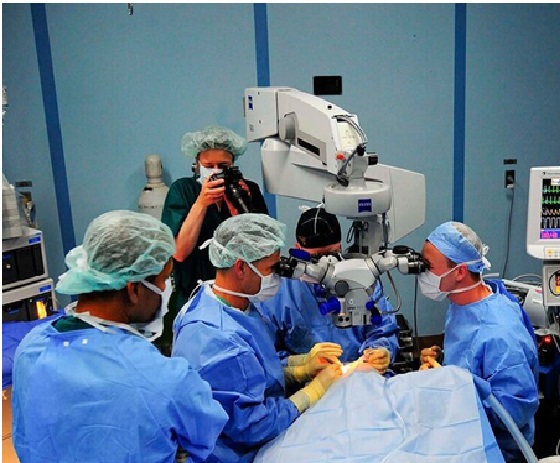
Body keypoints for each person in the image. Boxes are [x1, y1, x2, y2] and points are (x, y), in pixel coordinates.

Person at [11, 210, 228, 463]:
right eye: (162, 280)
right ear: (134, 290)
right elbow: (206, 435)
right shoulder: (162, 376)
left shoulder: (31, 347)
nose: (164, 290)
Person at [172, 213, 343, 463]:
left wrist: (300, 366)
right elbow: (251, 426)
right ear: (241, 267)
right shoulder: (214, 338)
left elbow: (249, 371)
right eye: (270, 269)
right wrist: (312, 392)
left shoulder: (235, 304)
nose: (277, 277)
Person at [417, 221, 539, 463]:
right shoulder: (465, 303)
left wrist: (451, 387)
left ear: (460, 272)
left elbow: (514, 412)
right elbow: (470, 357)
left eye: (428, 266)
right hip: (464, 431)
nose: (422, 273)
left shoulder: (499, 333)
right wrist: (441, 364)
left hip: (495, 449)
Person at [258, 207, 399, 374]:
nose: (327, 265)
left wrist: (381, 351)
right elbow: (267, 357)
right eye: (317, 257)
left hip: (362, 376)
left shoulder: (361, 279)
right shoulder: (278, 293)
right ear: (298, 250)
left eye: (334, 254)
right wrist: (302, 368)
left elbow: (383, 330)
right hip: (310, 384)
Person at [161, 124, 268, 316]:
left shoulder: (247, 190)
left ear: (233, 165)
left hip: (240, 295)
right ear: (197, 165)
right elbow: (179, 253)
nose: (216, 171)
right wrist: (201, 203)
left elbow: (263, 251)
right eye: (209, 166)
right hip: (194, 296)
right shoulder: (183, 190)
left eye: (223, 167)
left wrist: (240, 210)